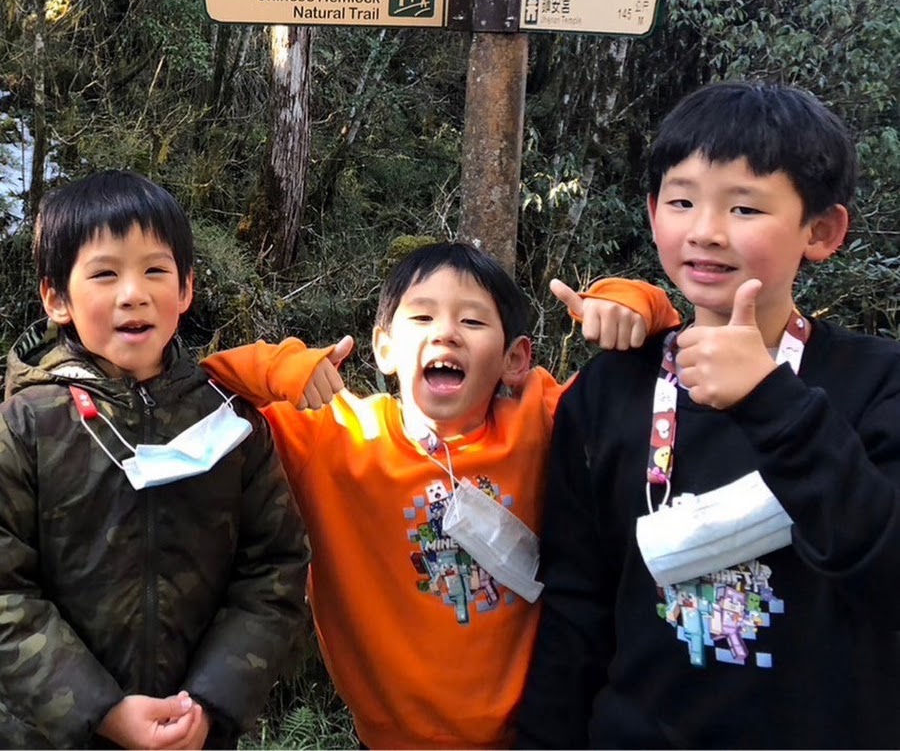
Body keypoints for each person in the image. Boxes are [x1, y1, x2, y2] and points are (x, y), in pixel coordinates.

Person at [516, 81, 900, 749]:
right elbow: (576, 605)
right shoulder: (608, 391)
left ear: (821, 231)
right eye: (682, 201)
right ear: (653, 212)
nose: (705, 231)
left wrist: (773, 402)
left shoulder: (876, 383)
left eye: (745, 207)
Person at [201, 241, 680, 749]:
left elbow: (650, 375)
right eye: (422, 317)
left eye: (472, 321)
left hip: (534, 737)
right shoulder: (335, 437)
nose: (446, 332)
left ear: (515, 358)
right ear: (385, 348)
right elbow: (202, 393)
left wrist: (633, 304)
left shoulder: (539, 421)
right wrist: (278, 367)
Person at [0, 170, 310, 750]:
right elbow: (6, 594)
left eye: (155, 271)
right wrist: (102, 711)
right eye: (105, 274)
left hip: (194, 731)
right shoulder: (26, 426)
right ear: (57, 298)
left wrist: (210, 702)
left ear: (185, 289)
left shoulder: (231, 423)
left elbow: (275, 570)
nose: (133, 293)